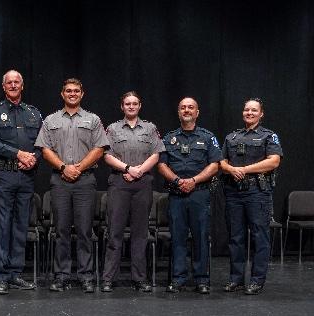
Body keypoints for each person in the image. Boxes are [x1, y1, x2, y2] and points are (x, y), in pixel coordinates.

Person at [35, 78, 109, 293]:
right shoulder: (50, 120)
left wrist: (77, 168)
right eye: (68, 91)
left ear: (82, 94)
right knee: (61, 230)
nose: (72, 94)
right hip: (59, 180)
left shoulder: (93, 119)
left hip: (85, 180)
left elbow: (100, 148)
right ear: (62, 94)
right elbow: (44, 148)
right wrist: (63, 167)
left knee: (85, 230)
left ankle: (85, 275)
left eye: (76, 91)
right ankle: (62, 275)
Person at [0, 70, 41, 295]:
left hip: (26, 176)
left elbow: (42, 143)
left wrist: (33, 158)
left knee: (20, 225)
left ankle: (15, 274)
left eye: (17, 82)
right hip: (3, 175)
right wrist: (18, 154)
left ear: (22, 86)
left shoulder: (34, 113)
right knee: (2, 225)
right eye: (9, 83)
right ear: (4, 86)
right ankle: (0, 276)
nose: (13, 85)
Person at [101, 91, 165, 293]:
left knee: (140, 234)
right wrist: (128, 169)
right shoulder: (112, 128)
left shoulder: (150, 128)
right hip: (119, 182)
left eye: (134, 103)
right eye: (127, 104)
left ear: (139, 106)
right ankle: (108, 278)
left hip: (142, 183)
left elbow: (156, 154)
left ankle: (139, 278)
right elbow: (107, 156)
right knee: (115, 232)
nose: (131, 106)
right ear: (122, 107)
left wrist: (139, 171)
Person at [157, 97, 222, 294]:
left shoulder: (208, 137)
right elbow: (161, 165)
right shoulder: (168, 138)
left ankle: (202, 279)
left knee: (201, 237)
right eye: (183, 107)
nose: (186, 110)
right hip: (176, 195)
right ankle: (178, 278)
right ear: (178, 112)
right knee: (177, 237)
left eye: (190, 107)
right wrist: (178, 181)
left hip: (199, 194)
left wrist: (194, 181)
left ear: (197, 112)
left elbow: (215, 164)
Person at [220, 98, 282, 295]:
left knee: (259, 237)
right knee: (235, 237)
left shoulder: (269, 136)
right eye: (246, 110)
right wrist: (230, 168)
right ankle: (236, 279)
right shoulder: (232, 137)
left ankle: (257, 280)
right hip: (234, 192)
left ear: (261, 114)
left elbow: (273, 162)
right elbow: (221, 161)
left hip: (258, 193)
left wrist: (244, 169)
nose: (249, 113)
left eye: (254, 110)